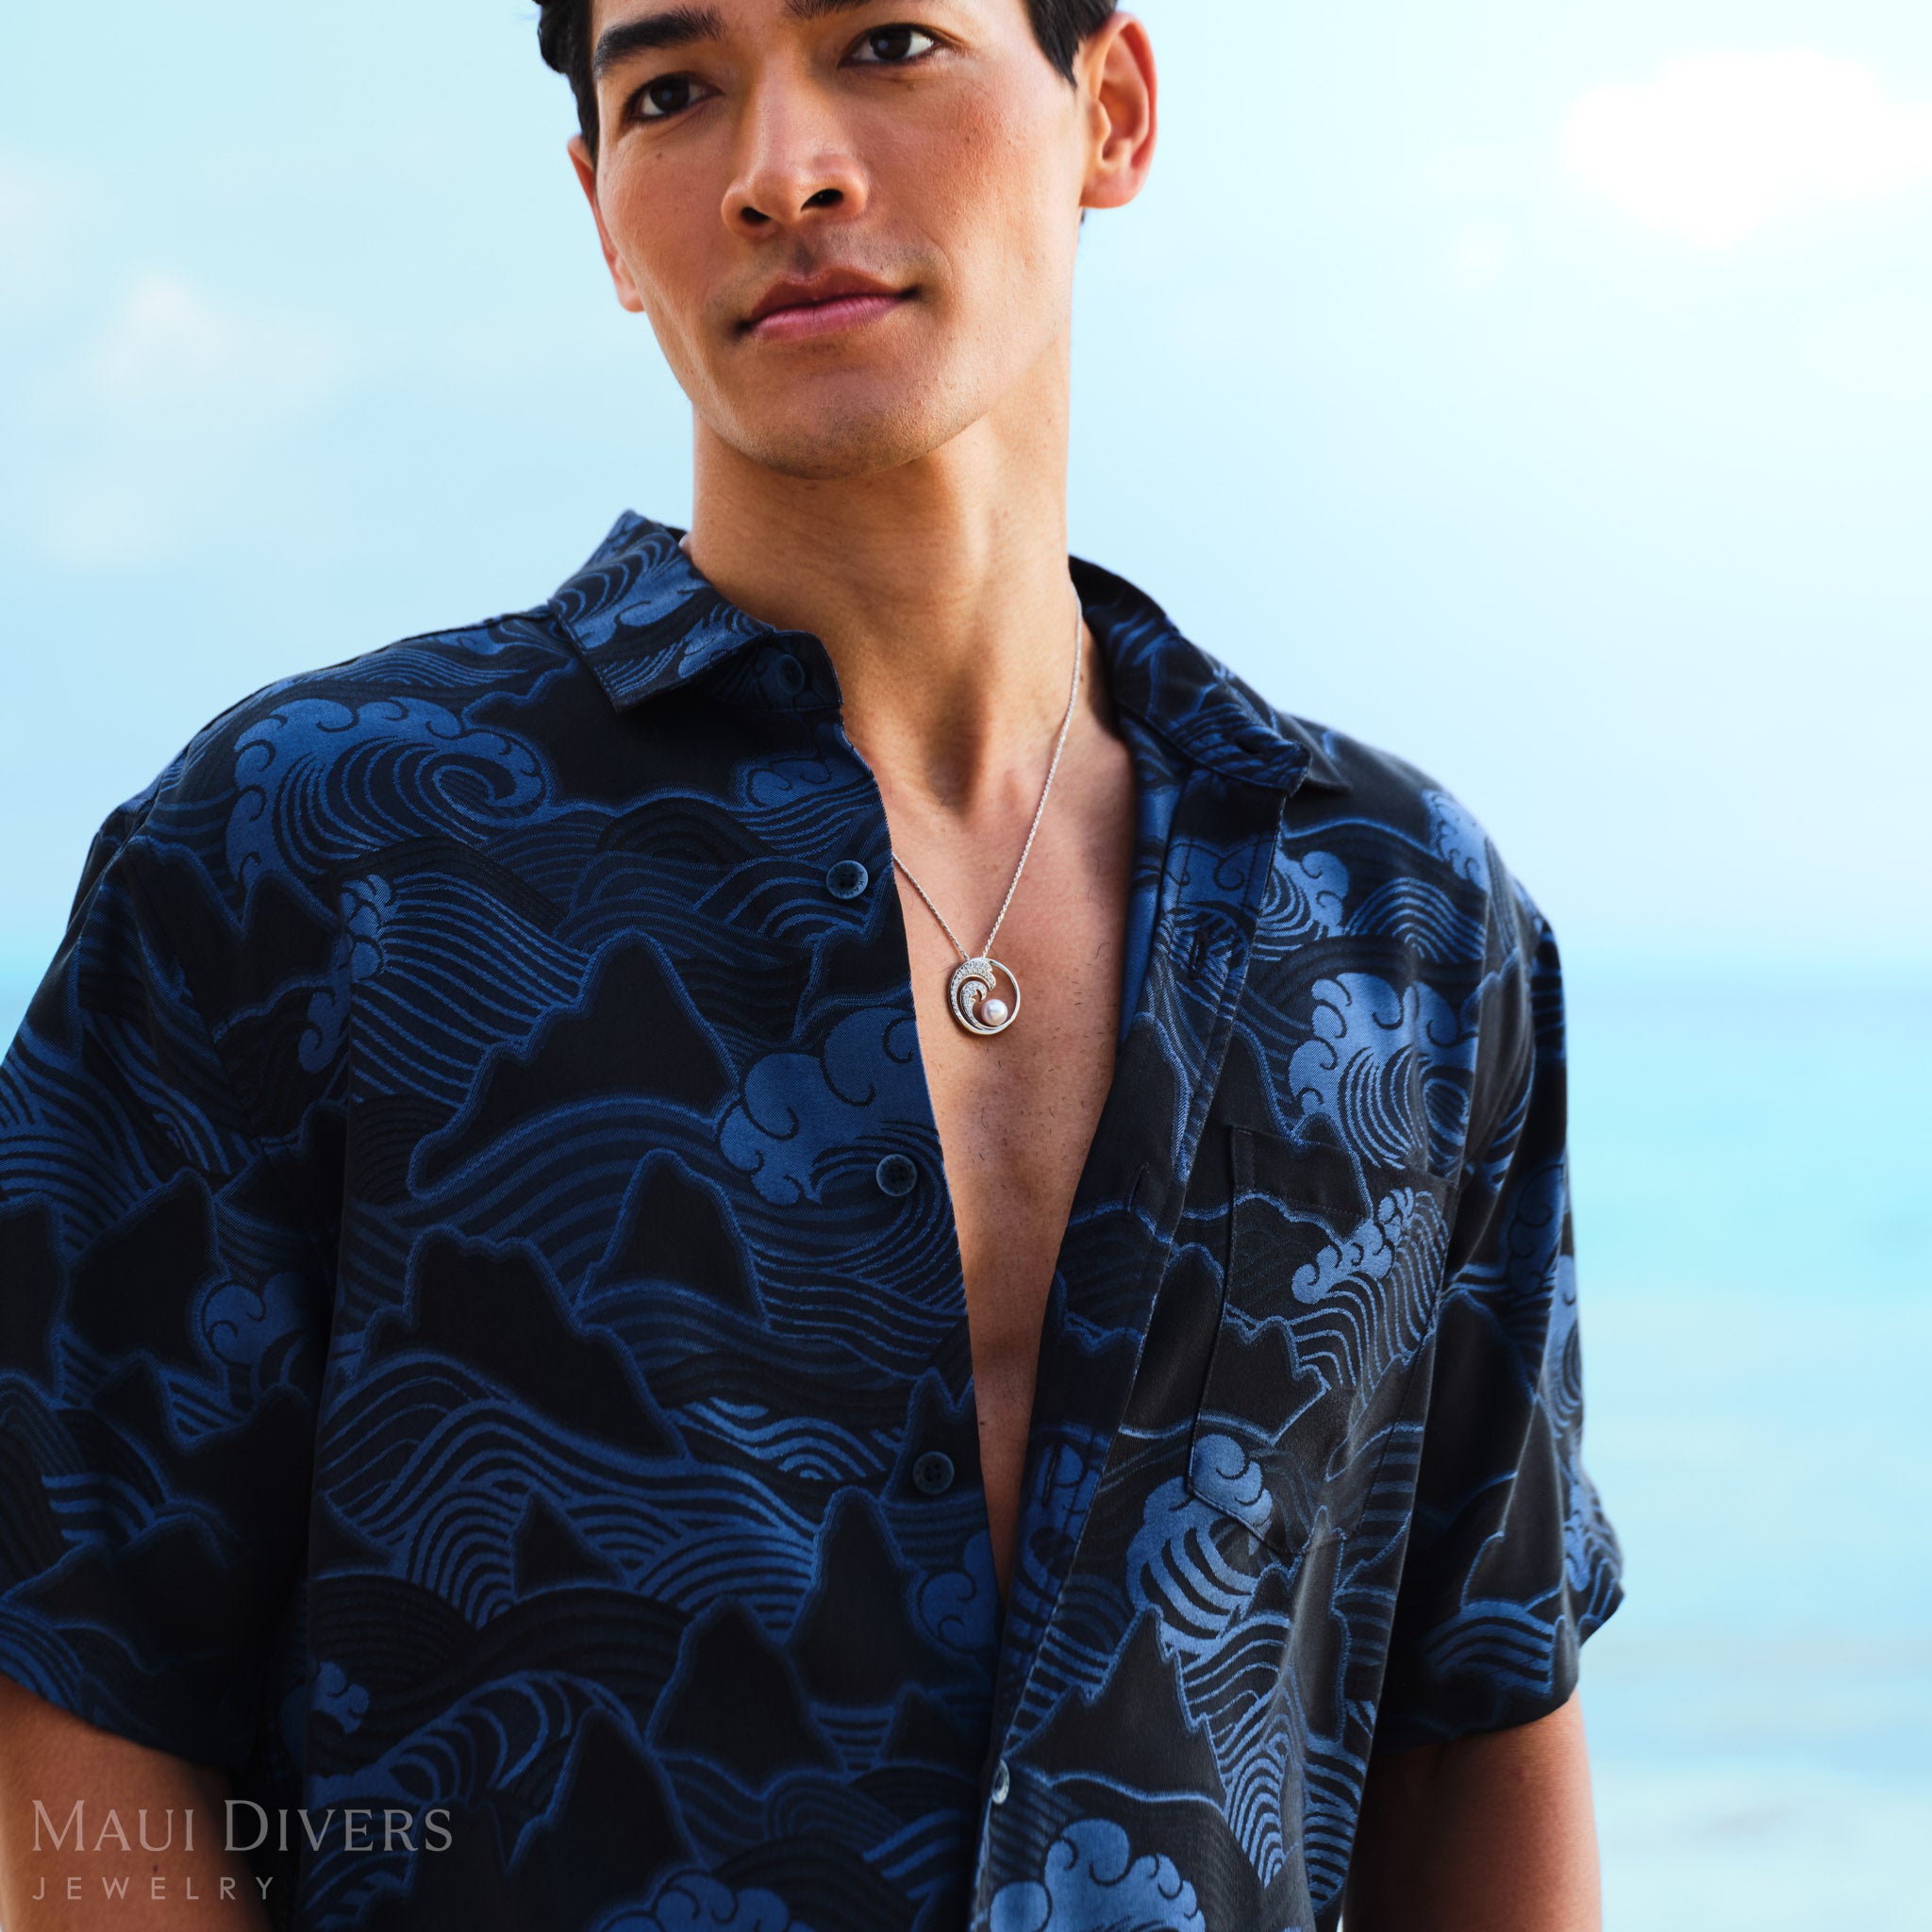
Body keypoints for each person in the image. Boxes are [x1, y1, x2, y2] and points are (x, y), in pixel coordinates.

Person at [0, 2, 1624, 1926]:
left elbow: (1476, 1710)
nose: (783, 167)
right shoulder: (312, 851)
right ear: (604, 209)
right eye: (671, 92)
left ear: (1107, 111)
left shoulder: (1399, 925)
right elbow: (75, 1687)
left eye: (888, 42)